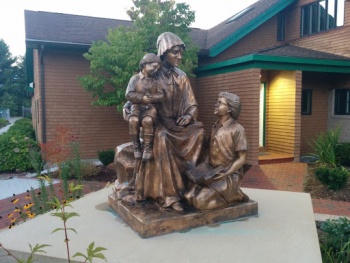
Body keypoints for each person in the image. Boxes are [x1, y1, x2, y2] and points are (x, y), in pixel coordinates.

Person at [123, 32, 204, 211]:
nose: (179, 57)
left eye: (181, 53)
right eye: (175, 52)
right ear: (163, 52)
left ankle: (193, 182)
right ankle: (170, 196)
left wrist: (189, 116)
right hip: (157, 122)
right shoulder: (152, 73)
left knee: (199, 132)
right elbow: (135, 93)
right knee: (161, 138)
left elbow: (192, 104)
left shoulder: (181, 76)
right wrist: (127, 107)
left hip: (178, 124)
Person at [185, 92, 249, 211]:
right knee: (187, 197)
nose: (216, 104)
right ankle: (225, 195)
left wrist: (225, 173)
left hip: (228, 175)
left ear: (229, 109)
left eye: (220, 103)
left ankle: (235, 195)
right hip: (212, 172)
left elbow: (242, 158)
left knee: (200, 203)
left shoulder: (238, 129)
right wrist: (201, 168)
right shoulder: (215, 126)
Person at [125, 53, 164, 161]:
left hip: (151, 107)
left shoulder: (156, 81)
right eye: (154, 67)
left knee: (147, 121)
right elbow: (128, 94)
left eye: (158, 68)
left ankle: (147, 149)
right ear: (145, 65)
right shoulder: (135, 79)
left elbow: (161, 95)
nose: (156, 70)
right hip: (136, 106)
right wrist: (141, 98)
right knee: (133, 120)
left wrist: (152, 98)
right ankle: (136, 147)